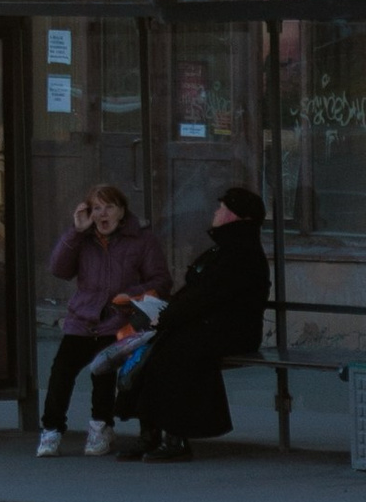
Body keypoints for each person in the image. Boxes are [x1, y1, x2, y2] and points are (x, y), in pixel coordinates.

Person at [111, 187, 270, 464]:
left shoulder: (240, 253)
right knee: (154, 348)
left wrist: (167, 317)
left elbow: (207, 296)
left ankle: (176, 437)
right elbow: (196, 295)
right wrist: (164, 314)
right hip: (209, 326)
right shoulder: (225, 249)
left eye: (222, 208)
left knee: (174, 353)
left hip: (232, 331)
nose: (216, 212)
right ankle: (150, 433)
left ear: (236, 216)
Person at [38, 183, 170, 457]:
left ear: (122, 211)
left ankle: (101, 427)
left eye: (109, 207)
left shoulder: (141, 239)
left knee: (103, 372)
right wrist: (76, 231)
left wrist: (130, 295)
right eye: (96, 208)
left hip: (120, 320)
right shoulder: (83, 238)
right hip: (83, 318)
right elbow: (58, 269)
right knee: (61, 371)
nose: (102, 214)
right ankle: (51, 430)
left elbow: (161, 281)